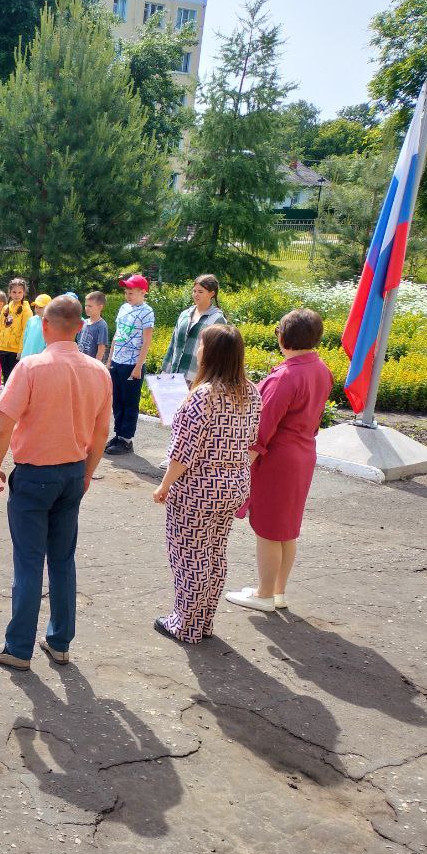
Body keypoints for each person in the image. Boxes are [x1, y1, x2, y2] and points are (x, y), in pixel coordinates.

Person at [0, 296, 112, 669]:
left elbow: (3, 425)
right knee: (63, 560)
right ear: (81, 328)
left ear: (46, 327)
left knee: (28, 561)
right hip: (72, 473)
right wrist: (86, 473)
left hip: (35, 474)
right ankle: (59, 641)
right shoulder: (98, 371)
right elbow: (102, 433)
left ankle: (18, 648)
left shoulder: (31, 367)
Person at [153, 325, 262, 644]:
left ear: (210, 353)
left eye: (201, 344)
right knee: (214, 552)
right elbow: (252, 439)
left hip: (198, 488)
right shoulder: (250, 391)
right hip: (234, 484)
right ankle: (202, 620)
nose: (198, 349)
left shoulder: (202, 397)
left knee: (188, 555)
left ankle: (184, 624)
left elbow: (182, 453)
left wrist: (164, 486)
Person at [226, 309, 333, 613]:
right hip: (303, 452)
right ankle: (277, 591)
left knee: (269, 529)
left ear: (283, 336)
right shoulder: (320, 368)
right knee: (287, 528)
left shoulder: (286, 374)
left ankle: (263, 594)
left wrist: (239, 462)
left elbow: (262, 426)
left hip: (278, 458)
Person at [105, 274, 156, 456]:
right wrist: (110, 359)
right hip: (117, 361)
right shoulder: (124, 308)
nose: (128, 295)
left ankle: (126, 440)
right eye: (126, 292)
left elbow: (147, 341)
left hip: (132, 364)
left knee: (129, 402)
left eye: (132, 292)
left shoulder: (146, 312)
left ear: (143, 292)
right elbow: (117, 335)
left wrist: (138, 366)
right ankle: (118, 435)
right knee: (117, 400)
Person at [161, 274, 227, 384]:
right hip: (174, 376)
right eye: (194, 291)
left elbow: (218, 355)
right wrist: (164, 372)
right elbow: (173, 344)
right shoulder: (184, 315)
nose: (196, 295)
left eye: (200, 292)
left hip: (198, 379)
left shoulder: (217, 319)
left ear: (211, 294)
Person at [0, 279, 31, 388]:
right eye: (14, 292)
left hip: (15, 350)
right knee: (6, 376)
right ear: (9, 293)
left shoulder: (26, 310)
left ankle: (14, 403)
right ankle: (6, 401)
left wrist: (21, 350)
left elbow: (26, 331)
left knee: (14, 378)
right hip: (3, 348)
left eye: (20, 292)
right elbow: (0, 327)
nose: (17, 295)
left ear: (24, 293)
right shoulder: (6, 308)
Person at [77, 291, 109, 365]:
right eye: (86, 305)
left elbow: (101, 349)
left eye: (90, 306)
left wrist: (96, 365)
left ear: (100, 307)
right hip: (80, 362)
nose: (87, 308)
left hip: (91, 364)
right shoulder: (84, 322)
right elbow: (78, 342)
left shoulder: (102, 325)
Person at [20, 293, 52, 358]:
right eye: (36, 307)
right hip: (26, 356)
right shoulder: (31, 320)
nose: (37, 309)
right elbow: (25, 338)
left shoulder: (51, 323)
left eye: (40, 307)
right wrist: (22, 353)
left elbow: (49, 343)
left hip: (39, 359)